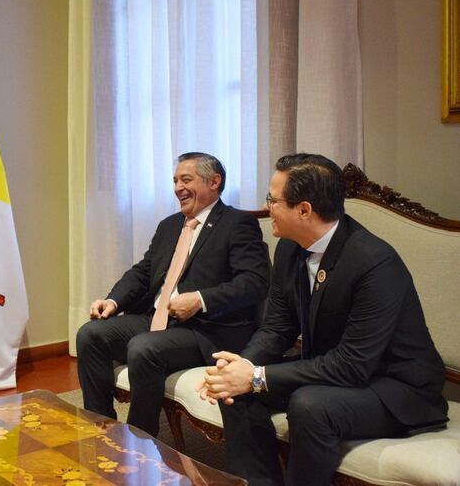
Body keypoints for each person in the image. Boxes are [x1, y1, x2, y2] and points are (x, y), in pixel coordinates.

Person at [198, 154, 449, 486]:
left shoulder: (374, 262)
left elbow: (353, 365)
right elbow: (277, 326)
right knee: (236, 389)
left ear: (304, 210)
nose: (267, 206)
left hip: (396, 387)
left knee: (310, 405)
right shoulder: (288, 248)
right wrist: (242, 366)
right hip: (337, 371)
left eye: (273, 200)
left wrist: (257, 376)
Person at [76, 152, 270, 437]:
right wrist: (113, 301)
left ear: (214, 181)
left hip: (206, 329)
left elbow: (254, 282)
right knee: (90, 334)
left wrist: (201, 300)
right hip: (158, 318)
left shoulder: (237, 224)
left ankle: (140, 441)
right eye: (175, 180)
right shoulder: (169, 225)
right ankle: (101, 428)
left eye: (186, 179)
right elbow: (143, 272)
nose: (177, 187)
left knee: (143, 348)